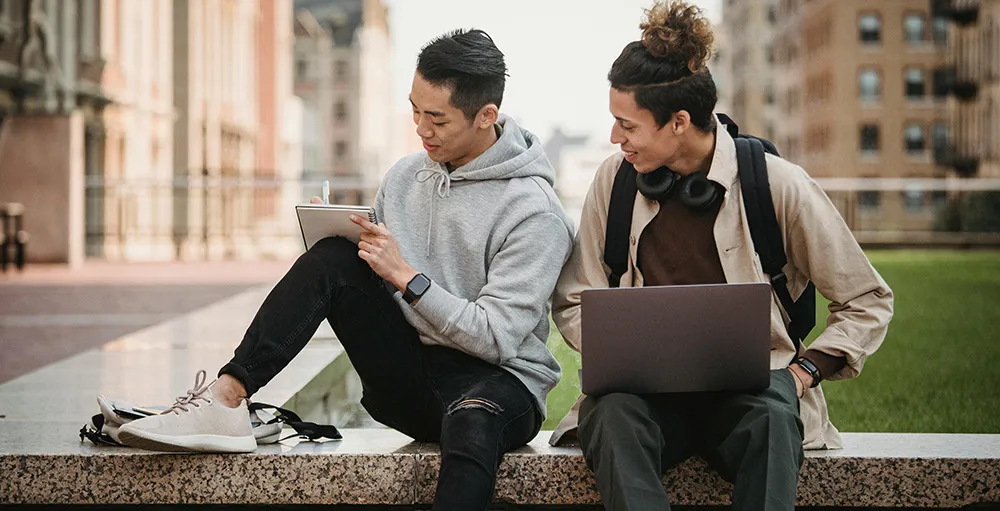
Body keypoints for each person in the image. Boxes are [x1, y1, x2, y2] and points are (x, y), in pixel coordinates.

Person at [119, 28, 574, 510]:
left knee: (472, 419)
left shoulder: (534, 212)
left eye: (436, 119)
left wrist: (409, 279)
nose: (421, 129)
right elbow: (373, 281)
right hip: (413, 378)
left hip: (500, 389)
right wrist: (339, 234)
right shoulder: (404, 177)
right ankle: (226, 399)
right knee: (334, 257)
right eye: (415, 110)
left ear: (486, 117)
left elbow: (498, 337)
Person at [548, 2, 894, 510]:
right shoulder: (614, 181)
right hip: (644, 399)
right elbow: (575, 297)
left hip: (754, 395)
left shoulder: (778, 184)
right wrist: (617, 352)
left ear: (679, 122)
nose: (614, 137)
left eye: (626, 125)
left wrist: (802, 373)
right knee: (611, 413)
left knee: (775, 422)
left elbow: (867, 299)